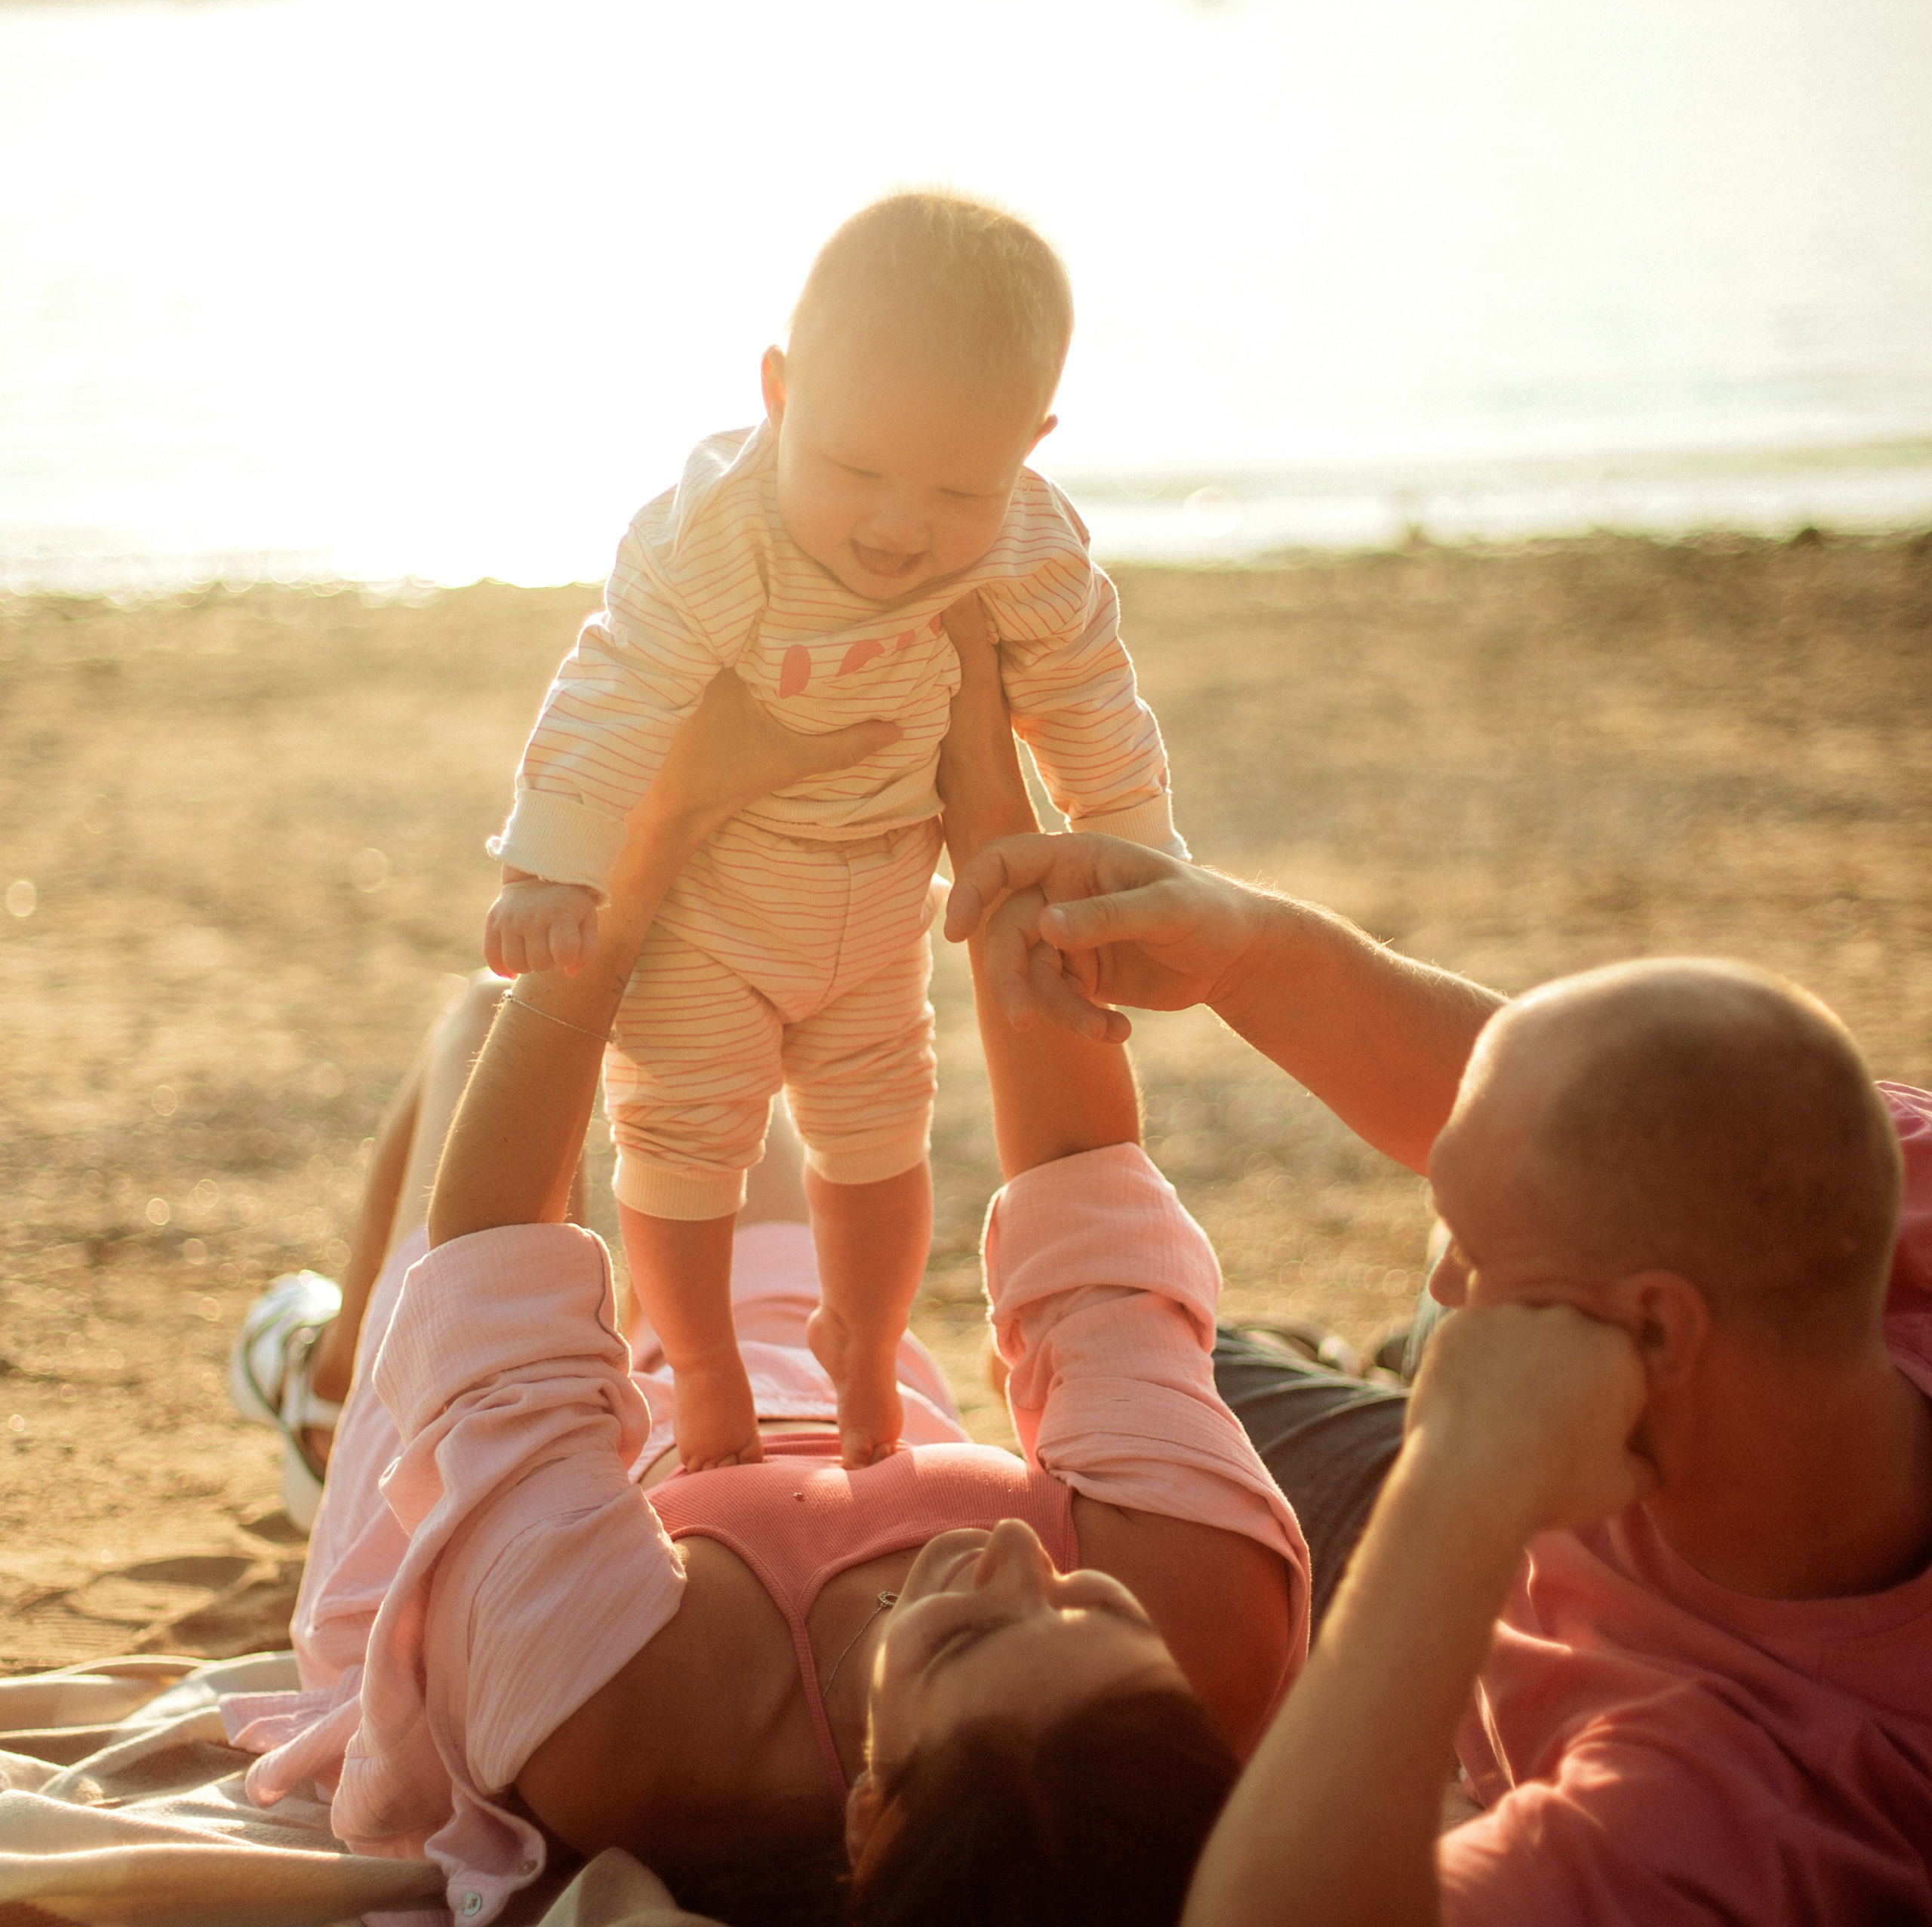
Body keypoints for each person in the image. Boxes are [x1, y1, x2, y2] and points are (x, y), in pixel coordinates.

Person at [220, 628, 1302, 1927]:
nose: (1015, 1551)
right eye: (1090, 1606)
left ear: (866, 1805)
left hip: (522, 1520)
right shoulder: (1217, 1620)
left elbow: (490, 1253)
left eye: (967, 1636)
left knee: (482, 1022)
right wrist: (976, 775)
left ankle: (337, 1396)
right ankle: (334, 1374)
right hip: (807, 1397)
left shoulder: (620, 1719)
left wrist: (657, 824)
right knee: (711, 1086)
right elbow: (1086, 1193)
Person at [945, 832, 1932, 1925]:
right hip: (1546, 1458)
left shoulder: (1735, 1805)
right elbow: (1594, 1112)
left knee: (1179, 1420)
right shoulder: (1863, 1178)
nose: (1449, 1279)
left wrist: (1457, 1487)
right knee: (1218, 1366)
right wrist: (1248, 951)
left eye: (1479, 1253)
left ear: (1655, 1330)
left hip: (1454, 1548)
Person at [483, 191, 1185, 1476]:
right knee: (682, 1141)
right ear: (778, 392)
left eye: (955, 487)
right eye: (856, 471)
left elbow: (1087, 695)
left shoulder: (1028, 541)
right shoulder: (717, 536)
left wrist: (1140, 859)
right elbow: (616, 685)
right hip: (712, 902)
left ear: (1030, 447)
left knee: (881, 1138)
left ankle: (863, 1345)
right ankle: (700, 1369)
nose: (897, 526)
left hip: (880, 907)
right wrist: (551, 864)